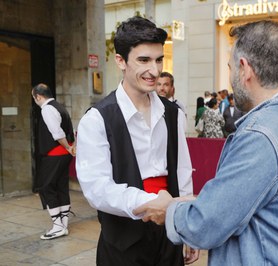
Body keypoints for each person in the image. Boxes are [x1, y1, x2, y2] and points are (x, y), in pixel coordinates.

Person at [135, 20, 278, 265]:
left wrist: (169, 210)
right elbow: (277, 206)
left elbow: (205, 224)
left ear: (244, 69)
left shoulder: (262, 134)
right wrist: (197, 201)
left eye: (229, 68)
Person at [75, 16, 198, 265]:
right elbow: (97, 188)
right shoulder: (98, 119)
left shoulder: (173, 113)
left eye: (159, 59)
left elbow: (182, 171)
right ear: (120, 61)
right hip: (122, 240)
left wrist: (186, 227)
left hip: (168, 235)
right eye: (144, 60)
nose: (154, 70)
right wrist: (150, 202)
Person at [32, 83, 75, 240]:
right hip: (63, 154)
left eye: (34, 98)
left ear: (38, 96)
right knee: (60, 186)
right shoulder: (60, 106)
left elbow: (57, 133)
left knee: (46, 187)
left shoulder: (47, 108)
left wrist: (68, 147)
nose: (35, 101)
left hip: (56, 153)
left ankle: (57, 227)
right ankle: (63, 224)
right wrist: (70, 148)